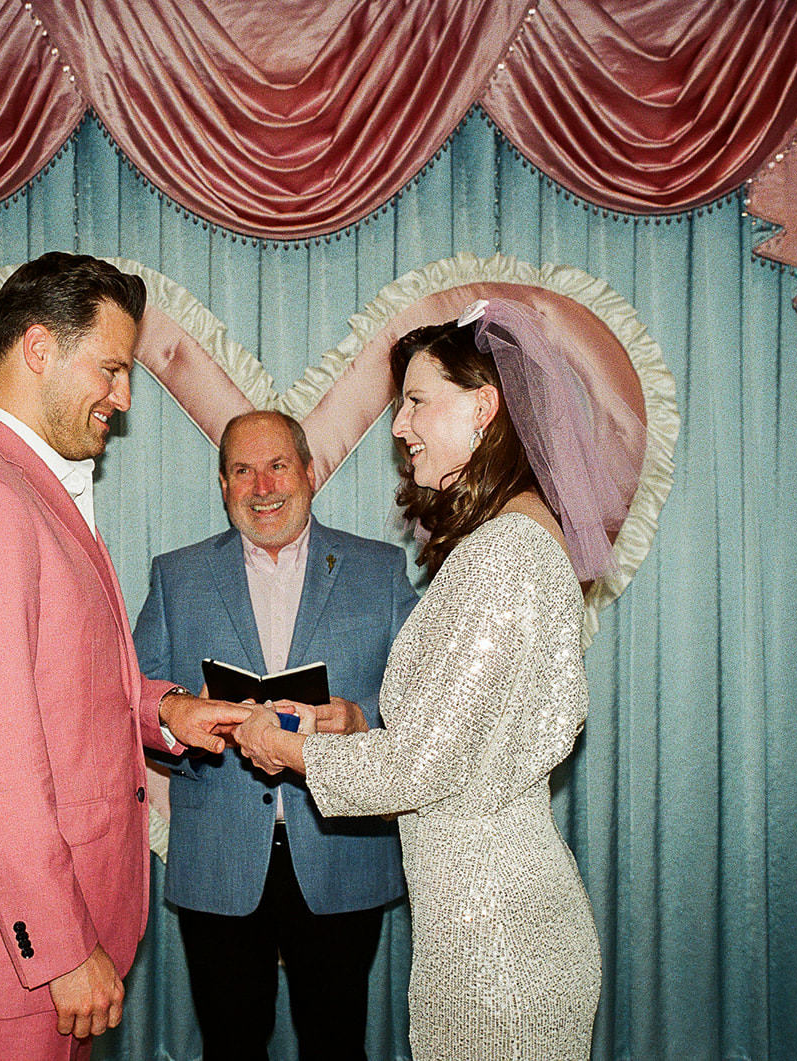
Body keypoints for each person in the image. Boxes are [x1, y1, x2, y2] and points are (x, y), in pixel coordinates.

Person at [232, 298, 629, 1060]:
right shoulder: (512, 542)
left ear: (484, 406)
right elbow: (456, 745)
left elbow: (423, 767)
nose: (398, 426)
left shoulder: (505, 553)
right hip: (482, 919)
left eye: (416, 401)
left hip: (495, 942)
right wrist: (348, 725)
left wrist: (287, 747)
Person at [0, 251, 252, 1061]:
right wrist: (56, 948)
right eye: (113, 369)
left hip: (42, 945)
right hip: (9, 960)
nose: (123, 401)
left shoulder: (25, 486)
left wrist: (164, 710)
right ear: (40, 348)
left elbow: (67, 686)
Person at [133, 410, 417, 1061]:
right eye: (241, 469)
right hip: (220, 859)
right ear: (223, 484)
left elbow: (427, 702)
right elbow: (133, 702)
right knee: (230, 1047)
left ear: (310, 473)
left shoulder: (379, 569)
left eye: (277, 465)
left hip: (341, 852)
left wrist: (358, 718)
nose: (262, 485)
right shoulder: (176, 576)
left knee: (336, 1045)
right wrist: (181, 720)